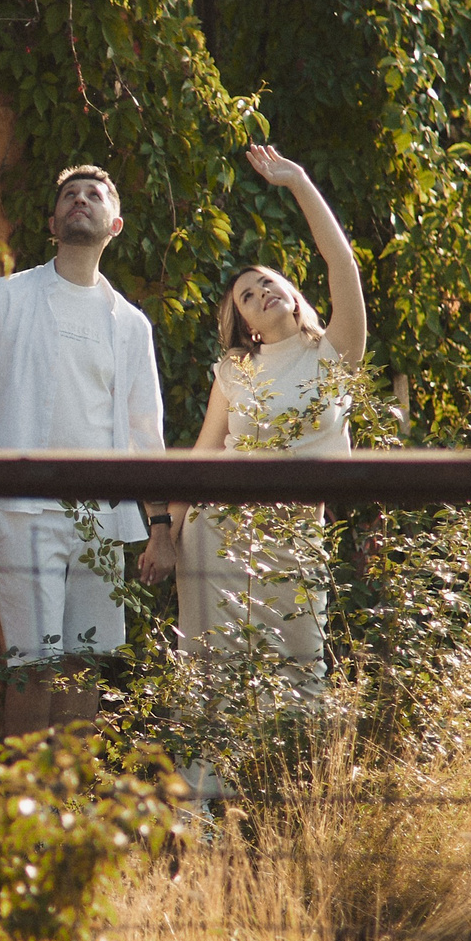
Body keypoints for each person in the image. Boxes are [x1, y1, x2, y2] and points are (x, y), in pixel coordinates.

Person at [0, 166, 177, 712]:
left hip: (101, 517)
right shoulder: (6, 297)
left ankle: (74, 798)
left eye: (94, 195)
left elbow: (146, 434)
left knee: (84, 664)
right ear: (53, 222)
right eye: (69, 194)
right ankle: (25, 797)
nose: (80, 201)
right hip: (24, 511)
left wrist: (159, 527)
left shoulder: (132, 324)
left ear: (114, 224)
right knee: (34, 665)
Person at [166, 144, 367, 669]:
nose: (260, 293)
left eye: (267, 283)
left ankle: (300, 758)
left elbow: (341, 262)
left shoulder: (334, 354)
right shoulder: (235, 370)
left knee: (302, 669)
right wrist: (165, 534)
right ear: (247, 325)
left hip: (297, 534)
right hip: (217, 531)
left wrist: (298, 181)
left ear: (294, 295)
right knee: (217, 671)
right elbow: (205, 453)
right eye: (247, 297)